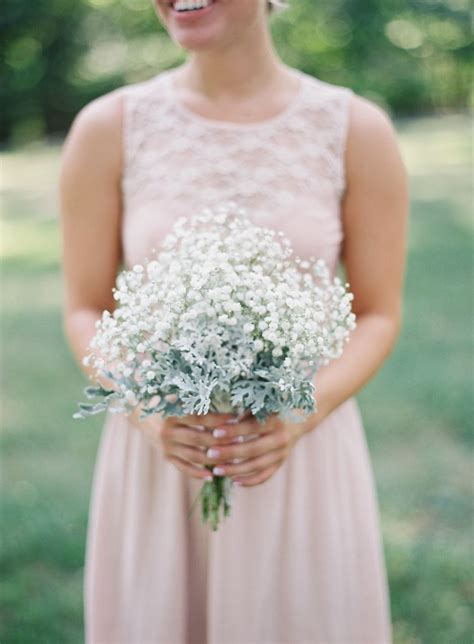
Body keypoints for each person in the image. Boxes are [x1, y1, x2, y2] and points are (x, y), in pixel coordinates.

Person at [59, 0, 408, 641]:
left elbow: (379, 313)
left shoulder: (356, 129)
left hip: (300, 448)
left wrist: (298, 417)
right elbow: (85, 308)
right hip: (163, 452)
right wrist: (147, 410)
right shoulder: (108, 126)